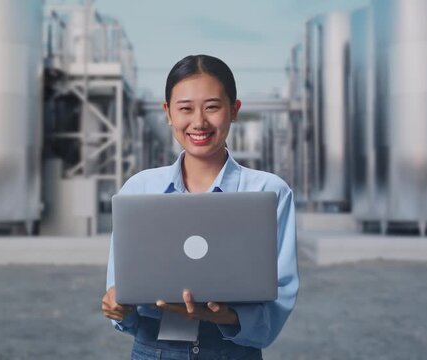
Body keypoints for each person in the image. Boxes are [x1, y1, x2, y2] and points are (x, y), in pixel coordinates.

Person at [101, 54, 299, 359]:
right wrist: (118, 308)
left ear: (234, 110)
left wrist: (225, 316)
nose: (198, 122)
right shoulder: (139, 189)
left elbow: (280, 296)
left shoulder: (269, 191)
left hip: (233, 352)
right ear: (168, 113)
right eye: (185, 109)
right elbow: (123, 296)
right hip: (153, 352)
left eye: (212, 107)